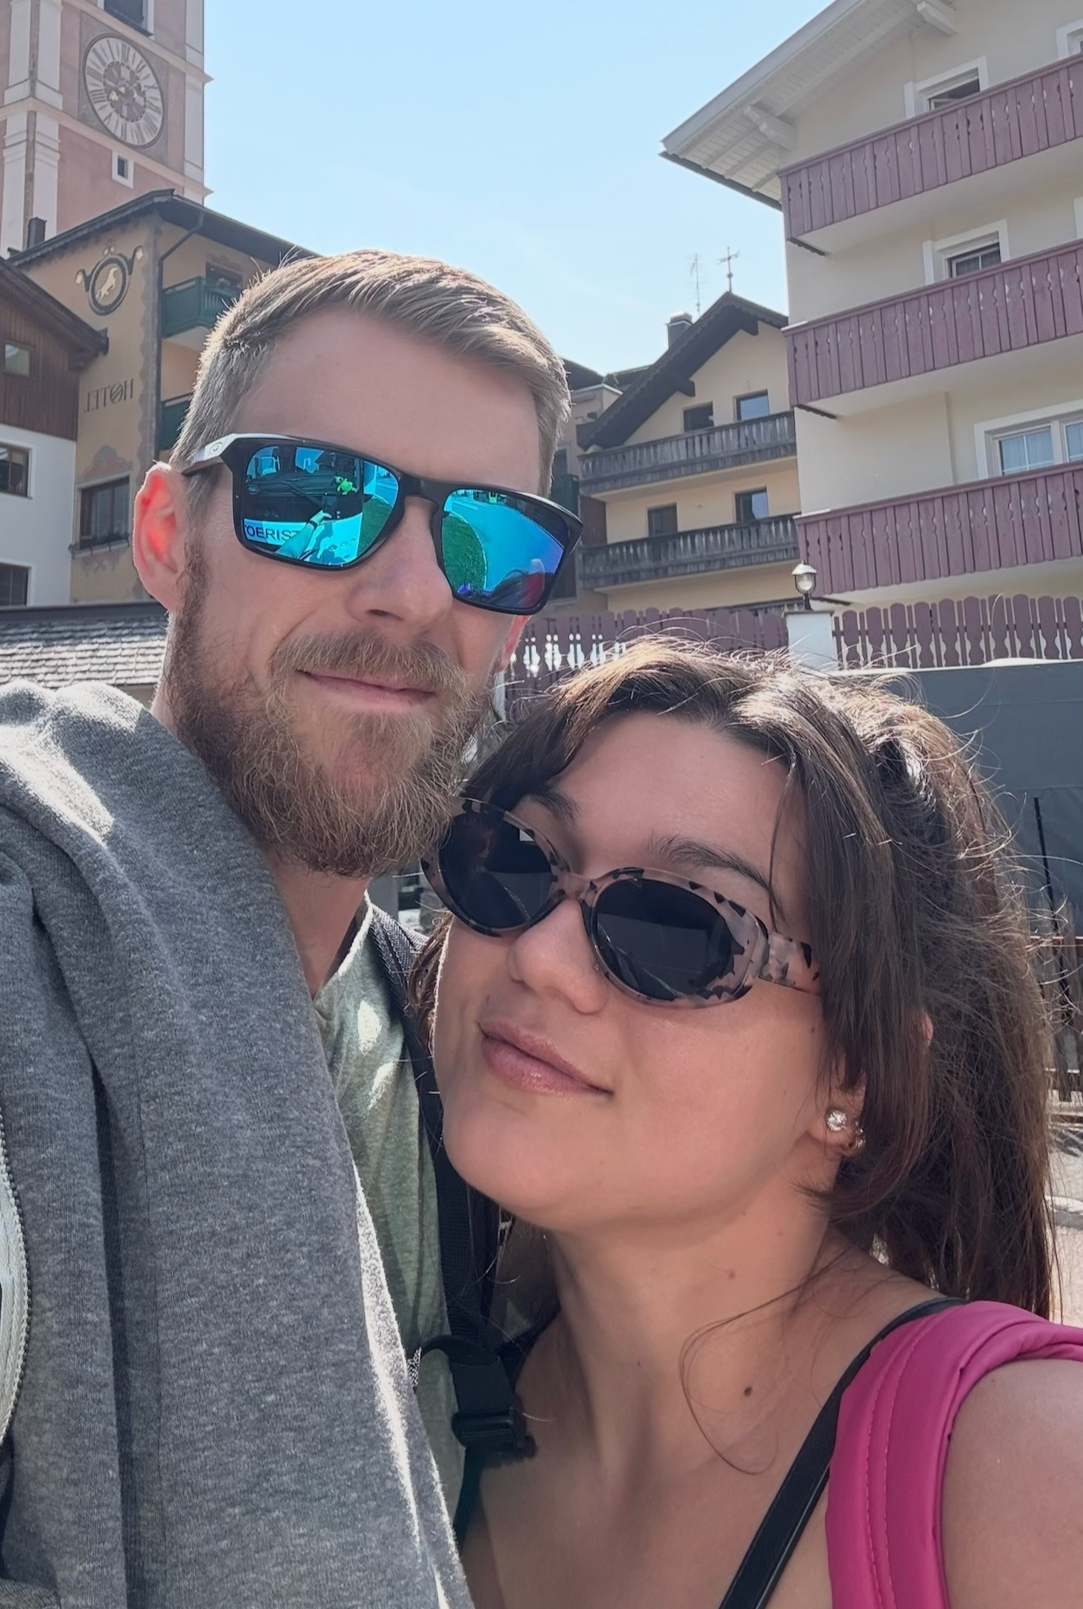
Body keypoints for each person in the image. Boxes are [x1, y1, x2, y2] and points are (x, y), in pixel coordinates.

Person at [0, 249, 578, 1608]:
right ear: (168, 536)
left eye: (489, 541)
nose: (407, 591)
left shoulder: (470, 1069)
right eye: (313, 501)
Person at [416, 643, 1083, 1608]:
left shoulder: (1023, 1476)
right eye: (512, 864)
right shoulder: (413, 1431)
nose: (543, 958)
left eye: (675, 927)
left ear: (855, 1071)